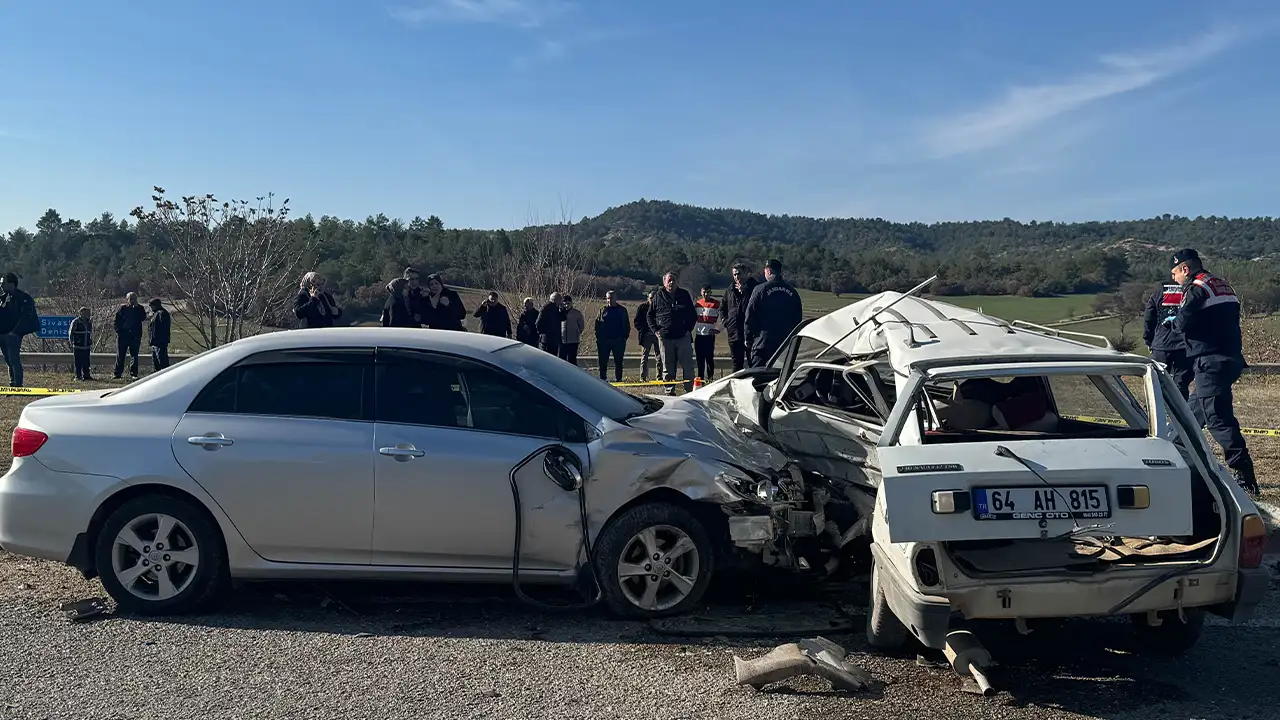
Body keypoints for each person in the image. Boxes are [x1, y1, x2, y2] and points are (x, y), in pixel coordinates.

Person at [1170, 248, 1258, 495]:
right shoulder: (1221, 284)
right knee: (1191, 416)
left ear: (1185, 269)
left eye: (1175, 273)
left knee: (1218, 418)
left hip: (1211, 362)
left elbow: (1183, 324)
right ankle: (1175, 463)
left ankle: (1245, 476)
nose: (1174, 279)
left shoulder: (1196, 288)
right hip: (1230, 358)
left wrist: (1172, 324)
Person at [744, 258, 803, 368]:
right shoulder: (792, 292)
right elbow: (798, 318)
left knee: (758, 379)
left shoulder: (760, 289)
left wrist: (748, 338)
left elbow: (750, 315)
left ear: (768, 271)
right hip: (785, 345)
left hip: (763, 344)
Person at [648, 272, 697, 394]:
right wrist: (655, 330)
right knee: (668, 367)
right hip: (665, 338)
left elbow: (692, 314)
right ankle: (669, 391)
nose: (671, 282)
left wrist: (687, 329)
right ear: (664, 283)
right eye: (669, 280)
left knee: (688, 366)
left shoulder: (684, 295)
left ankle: (690, 391)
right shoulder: (658, 296)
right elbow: (649, 315)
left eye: (673, 280)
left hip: (682, 337)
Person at [1142, 281, 1192, 400]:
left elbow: (1149, 318)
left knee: (1157, 381)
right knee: (1181, 382)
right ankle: (1180, 414)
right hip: (1184, 344)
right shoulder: (1191, 291)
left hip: (1161, 344)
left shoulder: (1158, 292)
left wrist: (1149, 340)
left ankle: (1155, 412)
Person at [0, 272, 37, 388]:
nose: (1, 286)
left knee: (13, 359)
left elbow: (27, 316)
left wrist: (15, 332)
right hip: (2, 333)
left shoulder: (23, 298)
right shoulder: (3, 298)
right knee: (8, 360)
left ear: (12, 284)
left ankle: (18, 385)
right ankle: (12, 383)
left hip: (13, 334)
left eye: (3, 283)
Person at [721, 263, 759, 373]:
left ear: (746, 274)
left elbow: (756, 307)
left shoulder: (755, 288)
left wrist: (745, 292)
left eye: (739, 274)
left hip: (750, 333)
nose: (737, 277)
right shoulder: (730, 289)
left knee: (753, 362)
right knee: (737, 364)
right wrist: (725, 321)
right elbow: (722, 307)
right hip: (734, 333)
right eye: (734, 275)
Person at [594, 290, 630, 382]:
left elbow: (626, 325)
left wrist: (624, 337)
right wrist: (599, 337)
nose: (609, 300)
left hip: (618, 340)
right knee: (602, 361)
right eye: (607, 298)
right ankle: (602, 378)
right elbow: (597, 324)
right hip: (604, 341)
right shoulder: (602, 310)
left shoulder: (622, 310)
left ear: (615, 298)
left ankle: (618, 379)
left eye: (611, 298)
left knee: (618, 361)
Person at [113, 292, 147, 379]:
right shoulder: (123, 309)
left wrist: (137, 309)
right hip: (123, 335)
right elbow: (116, 321)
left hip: (135, 335)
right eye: (131, 299)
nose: (132, 301)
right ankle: (117, 373)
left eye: (134, 299)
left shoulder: (140, 308)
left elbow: (143, 318)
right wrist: (119, 331)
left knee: (134, 355)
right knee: (120, 355)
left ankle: (134, 374)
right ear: (127, 299)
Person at [634, 291, 664, 382]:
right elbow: (637, 322)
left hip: (657, 335)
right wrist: (643, 331)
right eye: (651, 298)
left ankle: (659, 377)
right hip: (646, 335)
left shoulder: (660, 307)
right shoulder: (642, 308)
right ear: (648, 298)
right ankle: (643, 377)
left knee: (659, 357)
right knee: (644, 357)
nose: (652, 300)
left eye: (654, 298)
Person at [693, 284, 721, 381]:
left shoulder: (716, 304)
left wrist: (717, 329)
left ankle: (710, 378)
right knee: (699, 360)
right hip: (699, 335)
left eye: (708, 292)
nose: (706, 294)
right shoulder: (697, 304)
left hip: (709, 336)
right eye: (704, 292)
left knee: (709, 359)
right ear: (701, 292)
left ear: (711, 292)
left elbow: (722, 318)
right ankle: (700, 379)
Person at [68, 306, 94, 381]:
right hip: (78, 346)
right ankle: (78, 376)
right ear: (81, 313)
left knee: (86, 362)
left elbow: (90, 333)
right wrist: (72, 342)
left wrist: (90, 341)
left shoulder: (89, 322)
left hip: (86, 346)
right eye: (86, 313)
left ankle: (86, 375)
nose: (88, 315)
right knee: (78, 362)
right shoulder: (75, 322)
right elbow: (71, 333)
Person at [559, 295, 585, 366]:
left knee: (572, 360)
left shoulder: (577, 313)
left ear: (571, 303)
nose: (566, 306)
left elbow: (581, 326)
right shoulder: (560, 313)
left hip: (573, 340)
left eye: (568, 303)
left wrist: (577, 332)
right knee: (561, 359)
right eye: (564, 304)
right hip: (562, 340)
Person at [147, 298, 172, 372]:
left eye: (151, 306)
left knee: (162, 362)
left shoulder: (162, 313)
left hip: (160, 342)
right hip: (155, 342)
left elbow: (164, 327)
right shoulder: (156, 314)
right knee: (156, 363)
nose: (151, 308)